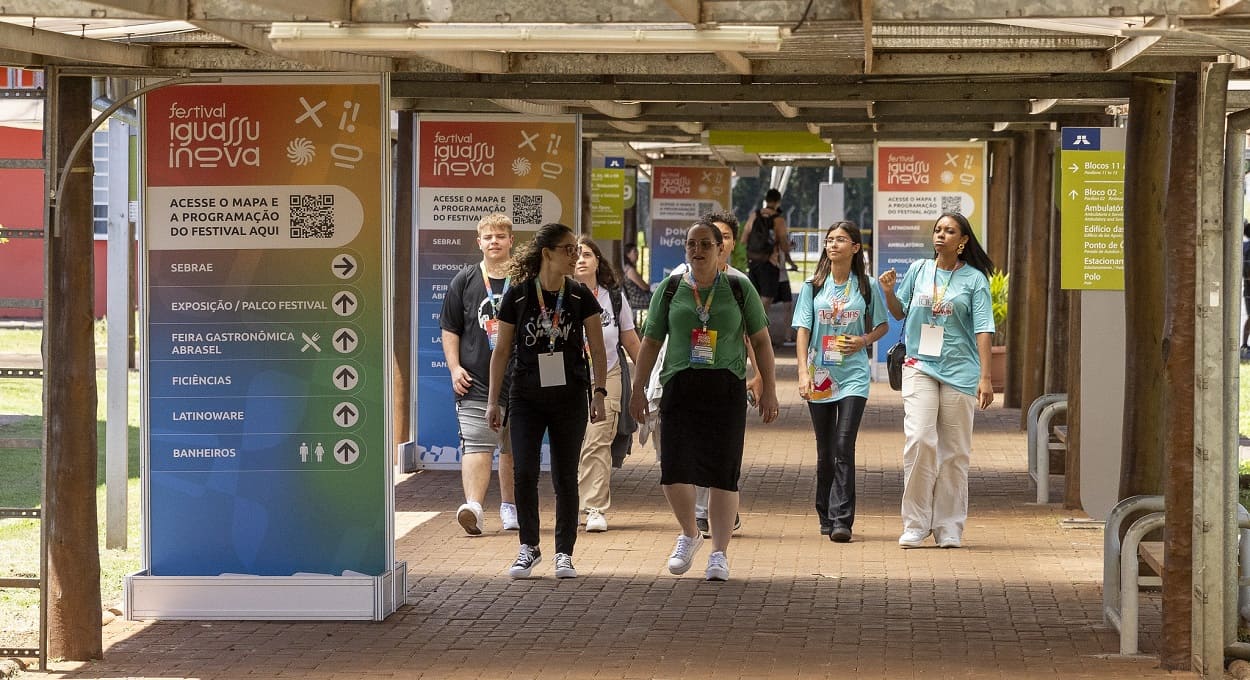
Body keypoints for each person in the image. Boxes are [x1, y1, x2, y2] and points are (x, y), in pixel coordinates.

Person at [629, 221, 780, 582]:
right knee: (673, 471)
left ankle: (719, 553)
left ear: (720, 249)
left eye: (705, 244)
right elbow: (650, 343)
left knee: (723, 475)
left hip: (725, 386)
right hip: (679, 384)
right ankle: (690, 534)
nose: (697, 251)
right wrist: (638, 388)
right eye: (691, 244)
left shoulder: (739, 288)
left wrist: (769, 387)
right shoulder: (669, 289)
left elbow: (761, 341)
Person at [487, 223, 608, 579]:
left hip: (570, 396)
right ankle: (529, 546)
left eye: (577, 249)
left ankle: (564, 552)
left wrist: (598, 392)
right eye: (568, 249)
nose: (575, 255)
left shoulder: (579, 296)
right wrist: (494, 400)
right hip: (525, 397)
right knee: (524, 471)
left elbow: (599, 350)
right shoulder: (520, 295)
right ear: (547, 254)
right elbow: (502, 351)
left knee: (564, 476)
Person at [878, 212, 995, 550]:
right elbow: (900, 313)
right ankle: (915, 523)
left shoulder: (974, 280)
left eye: (950, 231)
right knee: (919, 439)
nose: (941, 235)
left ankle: (948, 525)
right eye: (938, 230)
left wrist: (986, 377)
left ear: (963, 241)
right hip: (919, 365)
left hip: (960, 370)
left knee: (954, 452)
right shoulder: (918, 270)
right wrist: (888, 292)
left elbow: (984, 329)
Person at [792, 221, 889, 542]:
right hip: (821, 374)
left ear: (856, 248)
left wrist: (864, 340)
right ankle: (824, 512)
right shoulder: (813, 285)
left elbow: (882, 326)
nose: (833, 245)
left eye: (841, 240)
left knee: (844, 445)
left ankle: (842, 519)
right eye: (829, 240)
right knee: (825, 450)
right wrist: (803, 372)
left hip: (854, 376)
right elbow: (803, 329)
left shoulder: (867, 285)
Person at [440, 213, 518, 535]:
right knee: (477, 444)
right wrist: (455, 367)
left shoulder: (526, 280)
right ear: (479, 242)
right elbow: (450, 328)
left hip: (520, 379)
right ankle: (473, 507)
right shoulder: (465, 279)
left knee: (512, 449)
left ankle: (510, 507)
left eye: (500, 236)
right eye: (488, 237)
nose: (494, 242)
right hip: (475, 380)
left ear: (511, 240)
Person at [574, 236, 641, 533]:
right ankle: (574, 503)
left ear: (598, 261)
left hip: (608, 375)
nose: (580, 259)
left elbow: (629, 338)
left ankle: (594, 507)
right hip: (569, 378)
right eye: (574, 254)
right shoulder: (559, 295)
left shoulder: (613, 298)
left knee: (598, 439)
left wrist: (648, 377)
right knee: (575, 442)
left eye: (587, 254)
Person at [741, 188, 790, 307]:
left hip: (753, 261)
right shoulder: (778, 220)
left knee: (755, 296)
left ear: (766, 200)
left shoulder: (754, 215)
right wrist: (788, 247)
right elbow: (784, 246)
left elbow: (743, 239)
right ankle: (760, 324)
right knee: (767, 298)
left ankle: (753, 322)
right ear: (778, 202)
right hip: (769, 263)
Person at [621, 242, 653, 327]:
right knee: (659, 300)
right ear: (628, 254)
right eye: (635, 251)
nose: (637, 254)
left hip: (636, 298)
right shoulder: (630, 270)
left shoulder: (628, 268)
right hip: (637, 299)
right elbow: (645, 287)